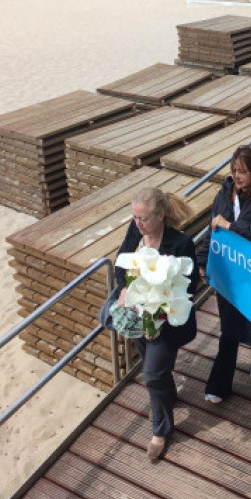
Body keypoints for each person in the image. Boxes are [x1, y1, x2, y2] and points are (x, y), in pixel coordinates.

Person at [102, 187, 199, 462]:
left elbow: (190, 285)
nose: (137, 223)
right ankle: (168, 399)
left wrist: (160, 300)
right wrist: (123, 289)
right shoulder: (137, 234)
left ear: (160, 215)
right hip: (137, 316)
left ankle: (161, 430)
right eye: (134, 217)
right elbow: (121, 266)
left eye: (143, 218)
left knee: (153, 374)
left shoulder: (180, 243)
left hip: (166, 322)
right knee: (156, 370)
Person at [197, 146, 251, 403]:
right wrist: (203, 261)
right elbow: (212, 230)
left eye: (243, 171)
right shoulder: (224, 194)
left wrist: (232, 226)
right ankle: (219, 385)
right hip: (229, 273)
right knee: (229, 330)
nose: (237, 176)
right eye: (234, 170)